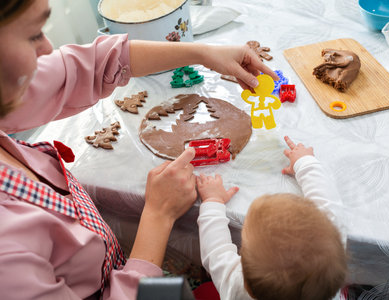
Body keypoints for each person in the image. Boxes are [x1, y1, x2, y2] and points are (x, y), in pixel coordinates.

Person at [0, 0, 278, 299]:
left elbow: (90, 64)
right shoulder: (8, 259)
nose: (47, 48)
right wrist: (158, 215)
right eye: (33, 35)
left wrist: (203, 53)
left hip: (120, 263)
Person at [196, 136, 347, 300]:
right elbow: (327, 203)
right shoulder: (330, 243)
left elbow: (216, 252)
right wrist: (305, 162)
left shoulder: (237, 285)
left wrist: (213, 200)